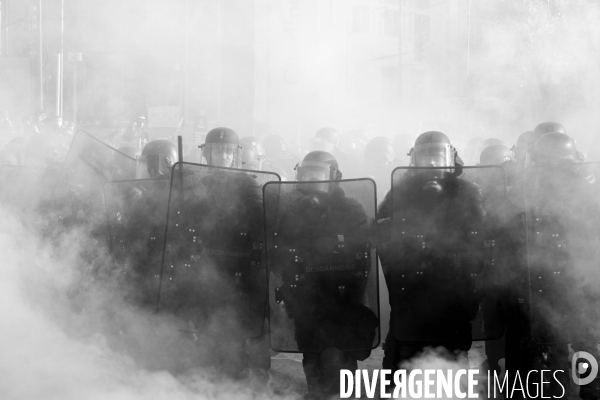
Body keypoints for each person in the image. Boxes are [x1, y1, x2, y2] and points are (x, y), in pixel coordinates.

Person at [160, 127, 267, 379]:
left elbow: (258, 225)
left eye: (228, 151)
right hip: (209, 271)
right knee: (208, 341)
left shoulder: (247, 184)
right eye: (218, 152)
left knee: (237, 341)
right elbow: (187, 224)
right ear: (207, 154)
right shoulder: (203, 185)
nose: (223, 157)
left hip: (239, 274)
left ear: (236, 155)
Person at [270, 150, 378, 398]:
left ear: (335, 178)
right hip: (306, 304)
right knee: (313, 363)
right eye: (306, 174)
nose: (311, 181)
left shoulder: (350, 209)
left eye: (317, 175)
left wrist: (330, 246)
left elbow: (362, 256)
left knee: (339, 364)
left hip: (342, 304)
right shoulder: (294, 211)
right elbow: (280, 254)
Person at [378, 131, 487, 373]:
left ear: (451, 157)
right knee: (400, 369)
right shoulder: (400, 192)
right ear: (414, 160)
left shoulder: (467, 191)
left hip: (454, 292)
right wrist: (401, 227)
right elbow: (380, 230)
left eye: (438, 156)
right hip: (410, 293)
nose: (433, 163)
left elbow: (482, 233)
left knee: (452, 365)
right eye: (425, 157)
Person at [503, 131, 594, 399]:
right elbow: (509, 244)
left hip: (581, 292)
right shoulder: (521, 196)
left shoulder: (589, 195)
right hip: (537, 292)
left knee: (589, 358)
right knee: (541, 371)